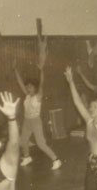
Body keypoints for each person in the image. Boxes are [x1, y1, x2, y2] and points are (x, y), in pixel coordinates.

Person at [15, 36, 62, 170]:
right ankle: (27, 157)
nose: (28, 88)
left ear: (34, 88)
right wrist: (15, 71)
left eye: (30, 87)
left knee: (41, 144)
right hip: (26, 121)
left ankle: (56, 159)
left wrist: (41, 70)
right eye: (27, 87)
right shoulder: (27, 96)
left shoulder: (38, 96)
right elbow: (20, 83)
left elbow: (42, 83)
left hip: (35, 121)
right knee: (23, 141)